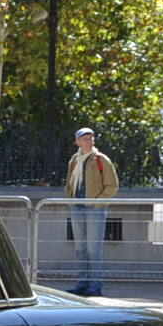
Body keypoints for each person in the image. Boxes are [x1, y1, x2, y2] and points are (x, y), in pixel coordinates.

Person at [65, 127, 120, 296]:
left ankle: (96, 285)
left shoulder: (101, 159)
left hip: (94, 209)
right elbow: (69, 183)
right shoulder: (74, 160)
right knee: (80, 247)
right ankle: (83, 283)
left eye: (90, 138)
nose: (88, 141)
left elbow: (112, 185)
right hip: (77, 207)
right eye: (84, 138)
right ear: (77, 142)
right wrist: (71, 200)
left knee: (93, 249)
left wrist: (97, 203)